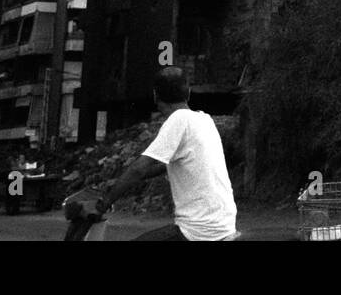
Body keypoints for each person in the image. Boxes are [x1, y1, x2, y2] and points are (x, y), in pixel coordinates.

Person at [98, 66, 239, 241]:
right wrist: (124, 181)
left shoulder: (178, 120)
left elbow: (138, 169)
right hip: (223, 223)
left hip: (199, 231)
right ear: (188, 92)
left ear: (156, 95)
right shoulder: (204, 120)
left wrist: (104, 203)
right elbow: (169, 165)